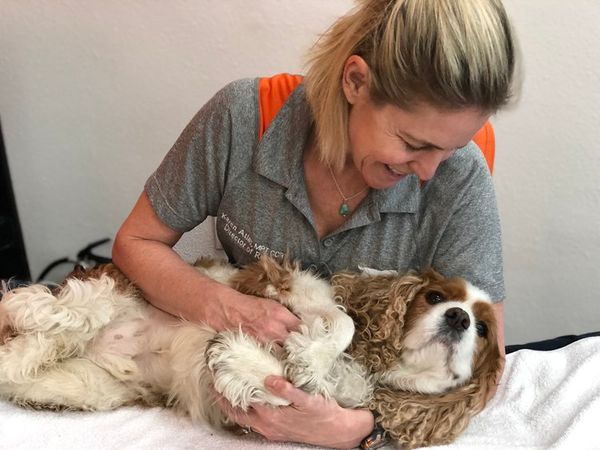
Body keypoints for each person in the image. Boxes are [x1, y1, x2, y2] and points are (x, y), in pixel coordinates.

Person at [112, 0, 517, 447]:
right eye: (412, 143)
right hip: (226, 372)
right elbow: (137, 241)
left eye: (451, 147)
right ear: (356, 81)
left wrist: (361, 430)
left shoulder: (459, 177)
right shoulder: (245, 118)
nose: (428, 172)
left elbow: (485, 364)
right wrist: (224, 307)